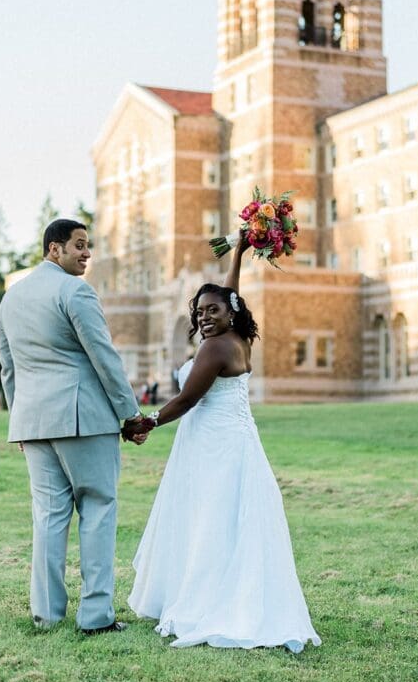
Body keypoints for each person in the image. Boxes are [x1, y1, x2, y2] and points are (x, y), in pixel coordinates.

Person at [128, 232, 321, 653]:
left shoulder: (216, 349)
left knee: (211, 522)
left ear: (229, 314)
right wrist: (238, 252)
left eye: (211, 311)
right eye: (198, 312)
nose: (204, 318)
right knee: (225, 521)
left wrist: (147, 422)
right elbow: (230, 294)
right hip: (232, 443)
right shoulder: (240, 338)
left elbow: (186, 399)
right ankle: (231, 594)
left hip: (215, 448)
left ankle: (211, 602)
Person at [0, 219, 147, 635]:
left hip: (33, 421)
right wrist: (130, 413)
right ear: (53, 249)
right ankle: (96, 617)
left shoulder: (12, 298)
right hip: (83, 418)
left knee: (48, 517)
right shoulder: (75, 290)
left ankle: (46, 614)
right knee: (98, 508)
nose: (86, 253)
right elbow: (103, 355)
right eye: (78, 245)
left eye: (89, 246)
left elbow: (8, 368)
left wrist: (19, 420)